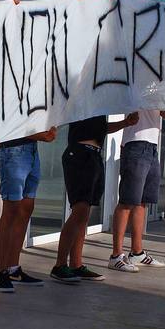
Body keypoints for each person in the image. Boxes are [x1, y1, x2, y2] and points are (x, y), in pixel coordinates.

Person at [106, 108, 165, 272]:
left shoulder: (156, 89)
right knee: (127, 202)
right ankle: (116, 256)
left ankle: (137, 252)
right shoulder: (137, 85)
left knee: (142, 201)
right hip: (134, 144)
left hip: (152, 147)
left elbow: (163, 112)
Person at [49, 113, 137, 284]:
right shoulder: (83, 98)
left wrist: (125, 122)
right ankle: (59, 265)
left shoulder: (99, 104)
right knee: (79, 211)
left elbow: (101, 129)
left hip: (95, 155)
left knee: (84, 214)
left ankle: (76, 264)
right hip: (79, 153)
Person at [0, 128, 56, 292]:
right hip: (13, 150)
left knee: (26, 208)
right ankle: (1, 272)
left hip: (32, 149)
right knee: (11, 210)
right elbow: (11, 121)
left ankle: (13, 268)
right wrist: (40, 134)